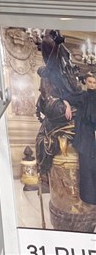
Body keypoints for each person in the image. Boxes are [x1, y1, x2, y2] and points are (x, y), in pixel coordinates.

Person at [63, 71, 96, 205]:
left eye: (94, 83)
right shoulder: (82, 96)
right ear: (85, 82)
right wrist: (67, 105)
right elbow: (64, 97)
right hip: (85, 135)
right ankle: (89, 197)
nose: (92, 85)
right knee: (86, 164)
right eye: (90, 82)